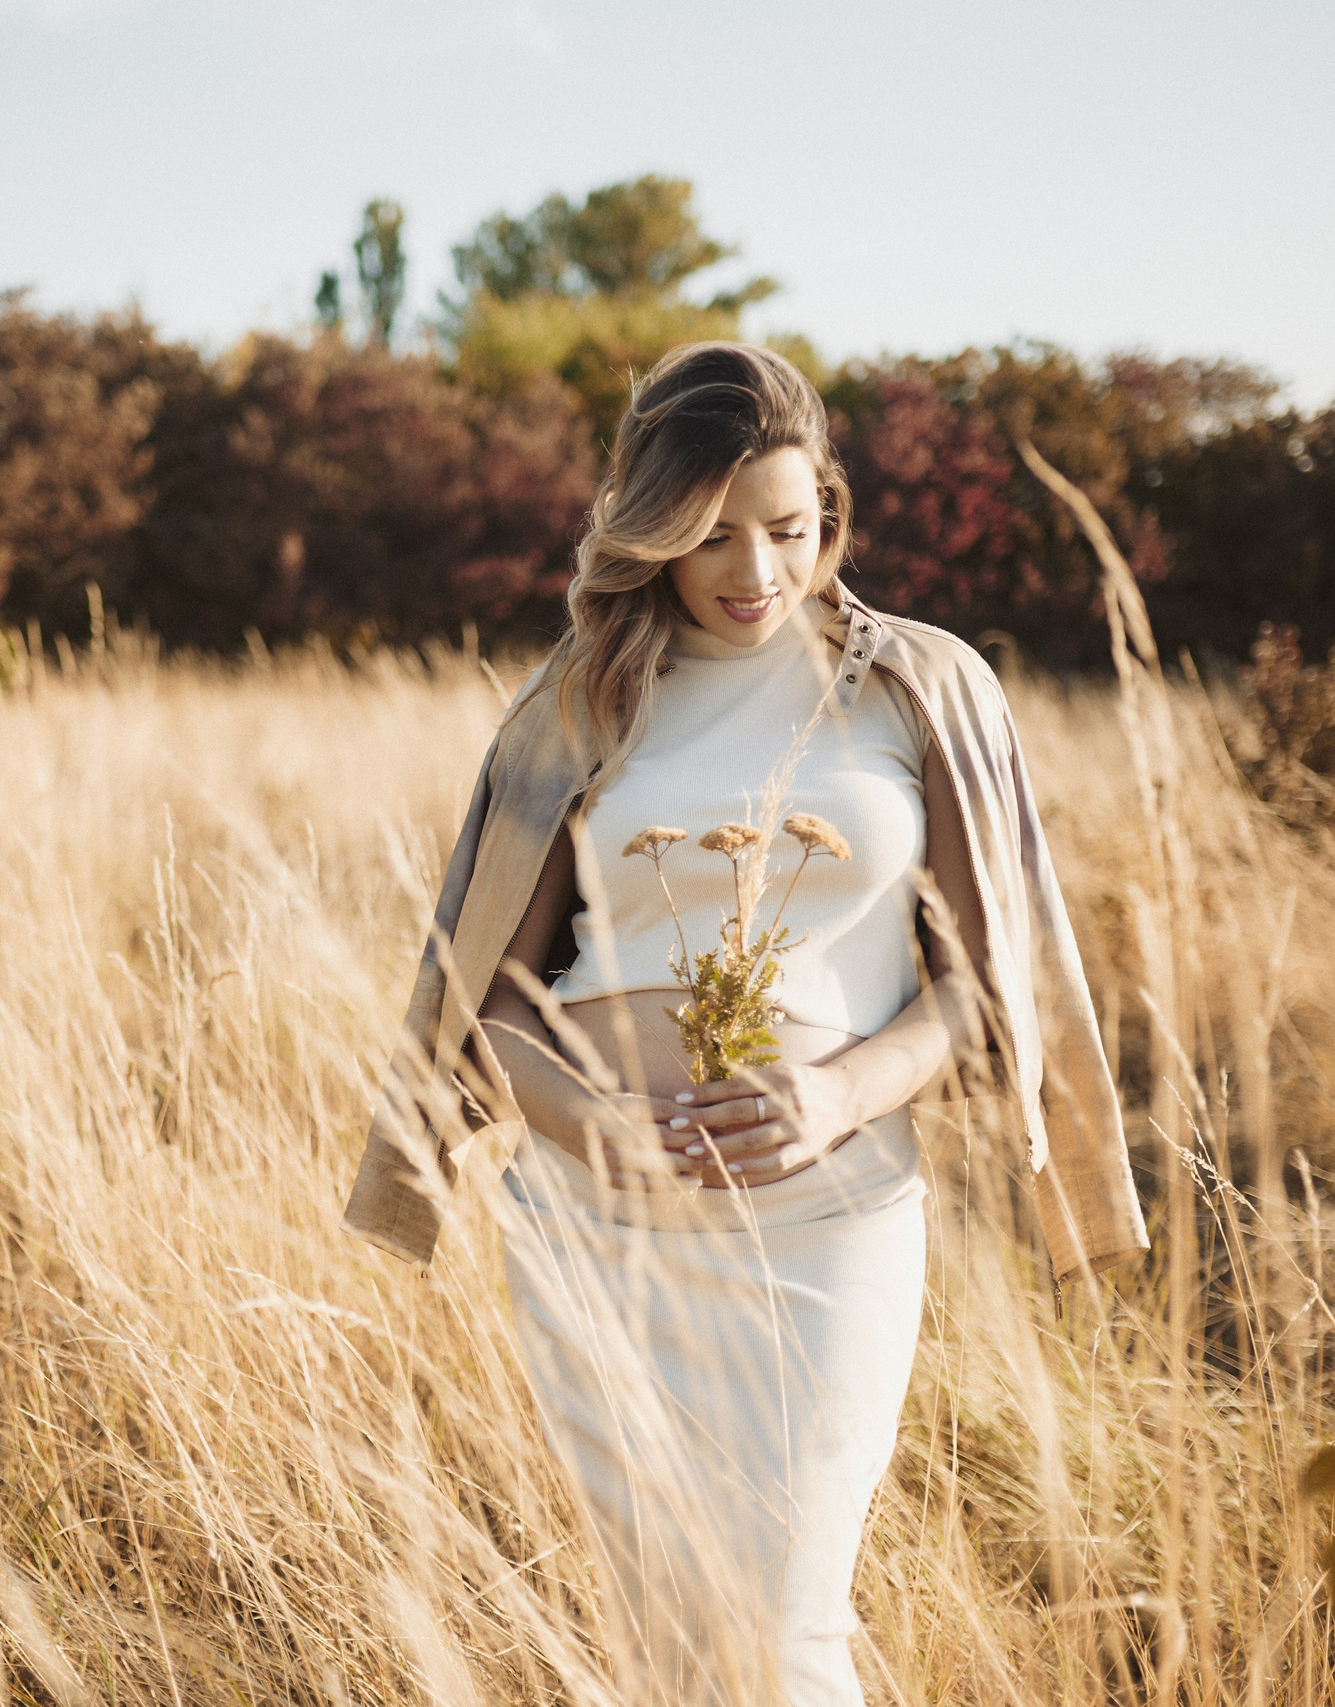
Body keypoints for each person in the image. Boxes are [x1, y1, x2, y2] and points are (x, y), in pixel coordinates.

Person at [343, 342, 1147, 1704]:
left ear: (828, 511)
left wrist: (838, 1094)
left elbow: (982, 981)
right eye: (712, 534)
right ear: (648, 527)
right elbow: (487, 1006)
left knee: (785, 1630)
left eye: (790, 528)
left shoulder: (921, 685)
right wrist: (598, 1131)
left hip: (826, 1221)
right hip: (593, 1231)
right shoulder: (578, 696)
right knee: (666, 1640)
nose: (756, 571)